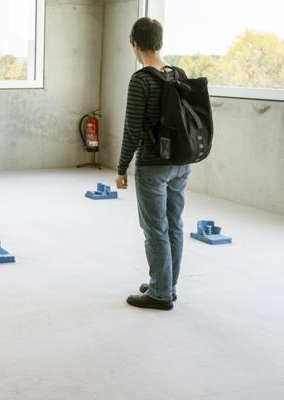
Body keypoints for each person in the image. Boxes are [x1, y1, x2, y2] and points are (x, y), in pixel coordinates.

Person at [116, 17, 191, 311]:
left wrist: (122, 168)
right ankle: (167, 284)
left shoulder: (141, 80)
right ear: (159, 42)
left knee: (155, 229)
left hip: (153, 166)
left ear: (135, 44)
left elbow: (132, 129)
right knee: (175, 224)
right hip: (181, 163)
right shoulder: (178, 74)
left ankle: (159, 294)